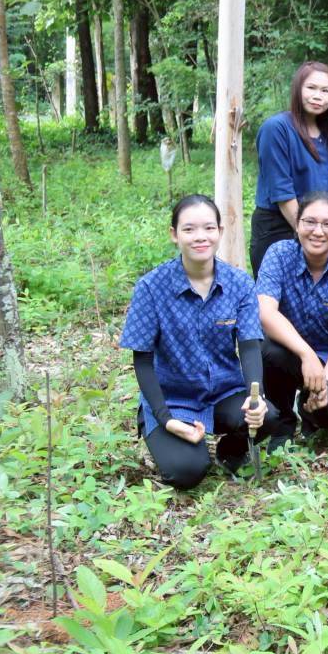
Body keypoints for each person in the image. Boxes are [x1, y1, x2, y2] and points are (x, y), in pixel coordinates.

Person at [120, 195, 279, 489]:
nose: (200, 237)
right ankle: (165, 436)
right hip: (172, 398)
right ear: (174, 234)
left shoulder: (239, 283)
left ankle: (230, 451)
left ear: (220, 231)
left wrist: (254, 397)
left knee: (267, 416)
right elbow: (142, 360)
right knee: (187, 472)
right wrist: (166, 418)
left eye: (208, 228)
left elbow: (249, 345)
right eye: (189, 229)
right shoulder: (151, 287)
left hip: (223, 392)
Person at [256, 191, 328, 445]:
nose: (318, 231)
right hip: (287, 353)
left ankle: (309, 410)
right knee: (268, 350)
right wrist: (306, 354)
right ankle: (282, 421)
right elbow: (265, 312)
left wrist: (325, 381)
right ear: (297, 224)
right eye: (310, 222)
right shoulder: (279, 254)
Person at [251, 61, 328, 275]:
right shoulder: (276, 128)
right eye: (311, 88)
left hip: (316, 230)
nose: (318, 96)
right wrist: (308, 234)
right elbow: (282, 192)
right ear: (298, 89)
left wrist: (323, 234)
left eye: (325, 91)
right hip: (278, 227)